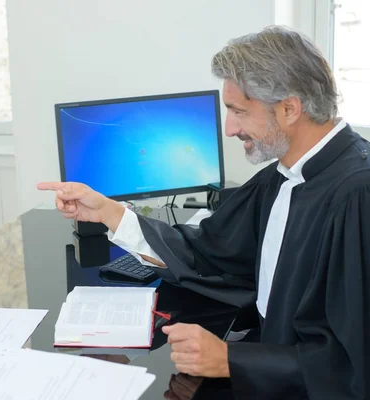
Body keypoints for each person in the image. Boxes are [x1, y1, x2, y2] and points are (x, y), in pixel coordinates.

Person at [38, 26, 370, 399]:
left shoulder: (358, 194)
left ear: (289, 108)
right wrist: (110, 212)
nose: (229, 129)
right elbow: (208, 247)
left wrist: (230, 360)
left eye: (238, 111)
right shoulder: (281, 177)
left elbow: (352, 366)